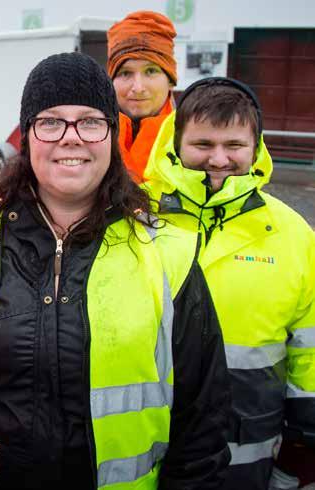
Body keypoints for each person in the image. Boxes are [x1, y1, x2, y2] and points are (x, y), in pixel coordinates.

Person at [0, 52, 231, 489]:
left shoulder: (169, 253)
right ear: (27, 136)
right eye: (50, 122)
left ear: (112, 135)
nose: (70, 138)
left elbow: (202, 426)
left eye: (90, 121)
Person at [143, 77, 315, 490]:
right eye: (203, 145)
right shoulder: (131, 219)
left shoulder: (292, 234)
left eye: (233, 146)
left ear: (255, 148)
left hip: (248, 456)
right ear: (176, 144)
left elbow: (309, 355)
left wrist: (302, 450)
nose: (218, 159)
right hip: (142, 456)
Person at [107, 10, 178, 182]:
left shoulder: (193, 137)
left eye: (151, 71)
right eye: (125, 73)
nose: (138, 87)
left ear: (170, 80)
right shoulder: (86, 135)